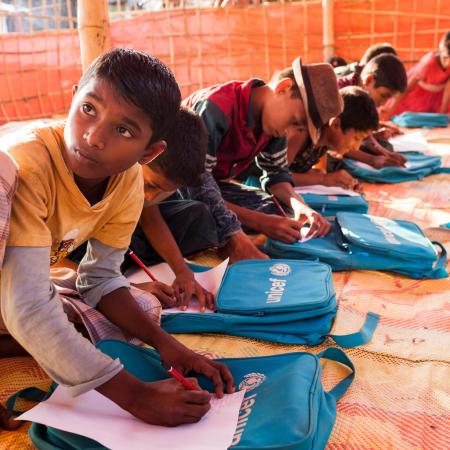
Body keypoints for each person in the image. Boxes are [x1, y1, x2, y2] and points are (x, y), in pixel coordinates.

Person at [0, 48, 234, 429]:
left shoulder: (126, 182)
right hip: (15, 291)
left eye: (123, 130)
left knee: (138, 310)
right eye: (89, 108)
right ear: (74, 95)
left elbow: (101, 279)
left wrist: (168, 347)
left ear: (150, 152)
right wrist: (136, 396)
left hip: (12, 289)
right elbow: (26, 306)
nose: (93, 136)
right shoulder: (29, 161)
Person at [182, 57, 342, 260]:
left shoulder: (275, 128)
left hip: (213, 187)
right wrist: (259, 222)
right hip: (176, 190)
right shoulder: (217, 107)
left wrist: (300, 206)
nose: (289, 132)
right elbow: (194, 186)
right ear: (283, 88)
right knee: (198, 215)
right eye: (294, 121)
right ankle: (232, 241)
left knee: (281, 212)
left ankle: (229, 236)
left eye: (298, 129)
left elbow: (277, 176)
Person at [69, 108, 218, 312]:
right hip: (77, 242)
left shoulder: (139, 178)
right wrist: (130, 288)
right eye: (151, 185)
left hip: (118, 232)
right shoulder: (91, 170)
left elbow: (151, 219)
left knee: (197, 213)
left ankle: (123, 265)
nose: (149, 196)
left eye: (162, 191)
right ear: (145, 154)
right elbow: (51, 265)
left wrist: (183, 272)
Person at [288, 86, 379, 190]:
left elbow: (301, 170)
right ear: (335, 124)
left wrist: (341, 182)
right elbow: (276, 177)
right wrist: (323, 179)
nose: (357, 147)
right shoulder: (301, 133)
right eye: (357, 138)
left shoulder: (323, 144)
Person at [336, 53, 408, 169]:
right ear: (369, 80)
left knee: (386, 147)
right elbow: (334, 139)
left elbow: (367, 135)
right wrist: (371, 160)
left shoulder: (364, 95)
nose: (384, 104)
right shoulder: (341, 92)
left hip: (347, 142)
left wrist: (385, 153)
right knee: (335, 162)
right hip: (333, 145)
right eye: (384, 96)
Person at [384, 31, 450, 117]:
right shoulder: (428, 63)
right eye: (446, 58)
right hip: (416, 97)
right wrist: (392, 107)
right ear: (442, 53)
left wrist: (442, 113)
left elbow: (448, 89)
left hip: (437, 99)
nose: (448, 62)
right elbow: (408, 87)